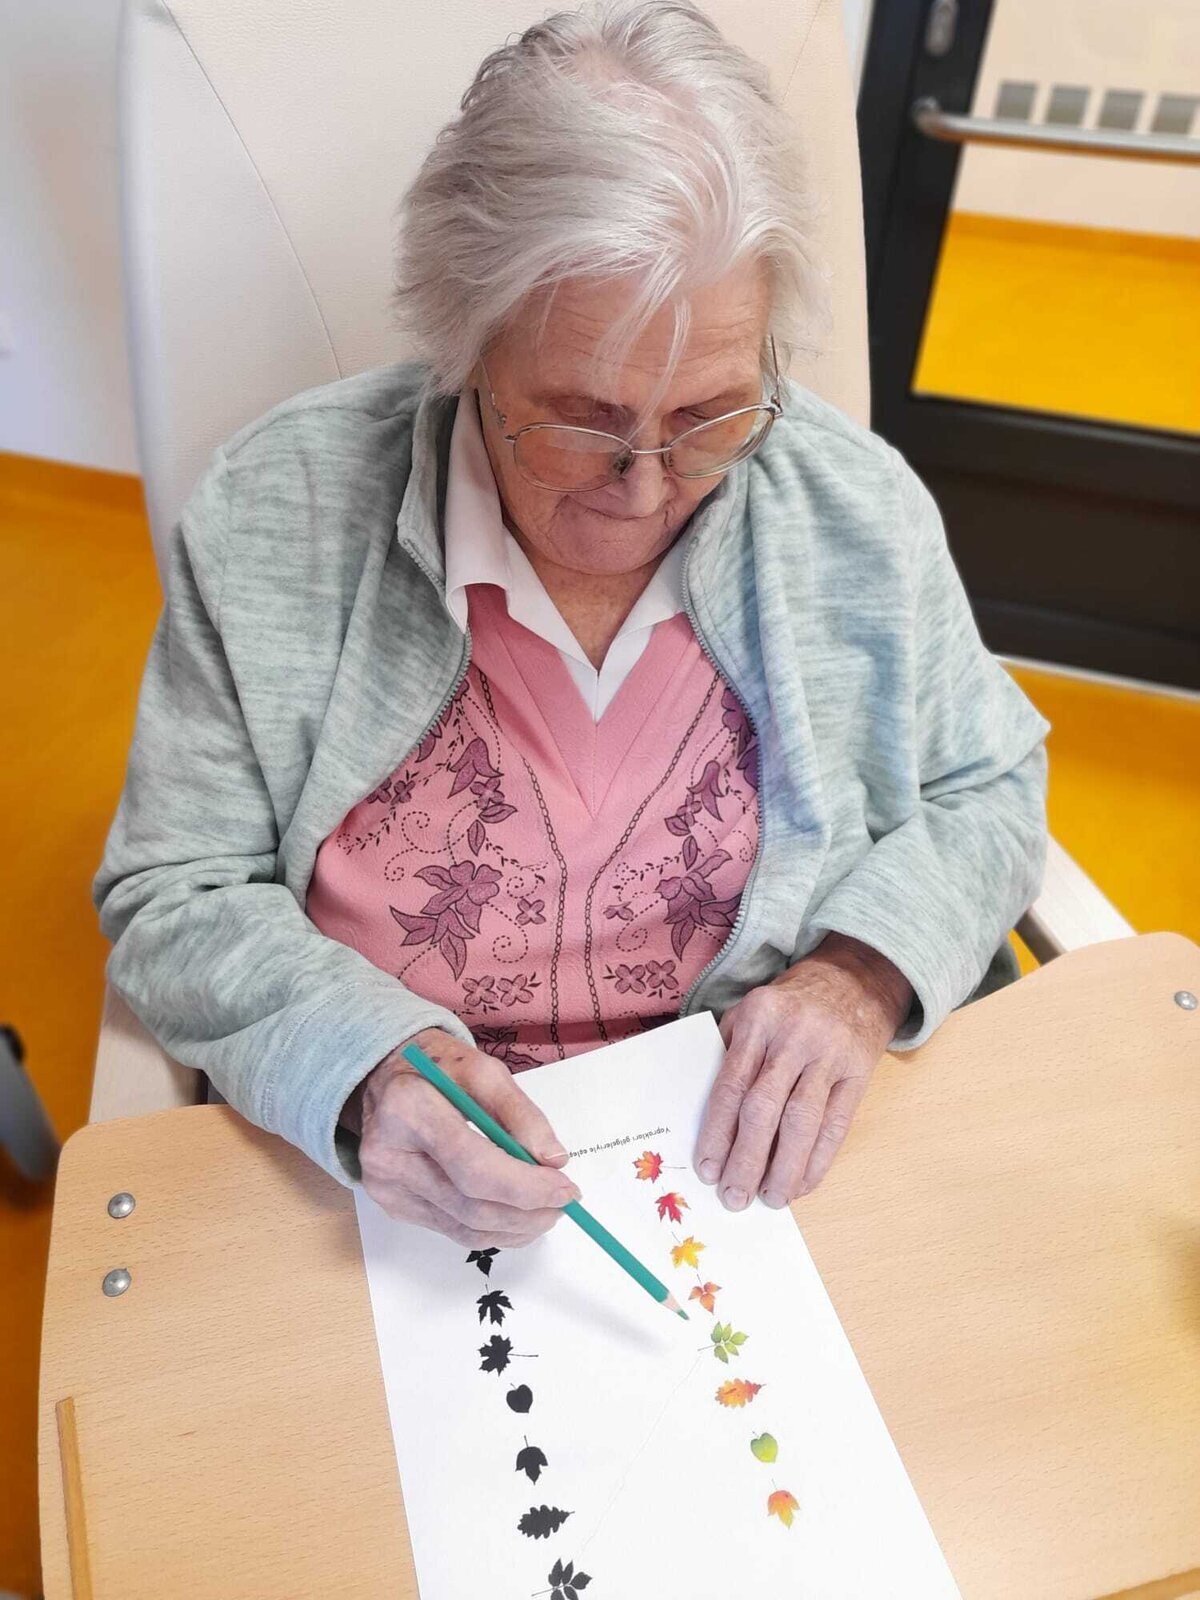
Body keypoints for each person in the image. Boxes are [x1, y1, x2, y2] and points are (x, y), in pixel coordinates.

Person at [93, 0, 1049, 1252]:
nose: (646, 490)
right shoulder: (281, 511)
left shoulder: (851, 511)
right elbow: (175, 889)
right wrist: (365, 1063)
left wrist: (857, 975)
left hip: (754, 1190)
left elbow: (991, 786)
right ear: (466, 343)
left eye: (709, 416)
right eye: (581, 421)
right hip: (378, 1202)